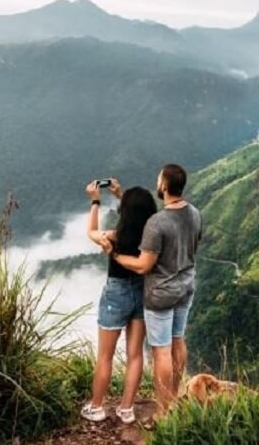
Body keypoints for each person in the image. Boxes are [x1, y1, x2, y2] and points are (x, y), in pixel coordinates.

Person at [106, 164, 202, 414]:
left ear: (165, 186)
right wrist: (122, 196)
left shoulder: (157, 223)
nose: (157, 183)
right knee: (178, 341)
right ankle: (174, 395)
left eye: (159, 179)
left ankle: (163, 411)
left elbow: (142, 265)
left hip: (160, 294)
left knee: (161, 352)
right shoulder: (194, 213)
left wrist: (114, 255)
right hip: (186, 286)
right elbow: (193, 245)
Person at [81, 178, 158, 424]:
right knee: (135, 355)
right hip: (142, 292)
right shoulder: (152, 235)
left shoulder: (114, 237)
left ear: (124, 212)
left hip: (116, 294)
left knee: (105, 355)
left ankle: (96, 407)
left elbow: (91, 232)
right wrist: (120, 195)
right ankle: (127, 409)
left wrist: (95, 201)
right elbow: (137, 214)